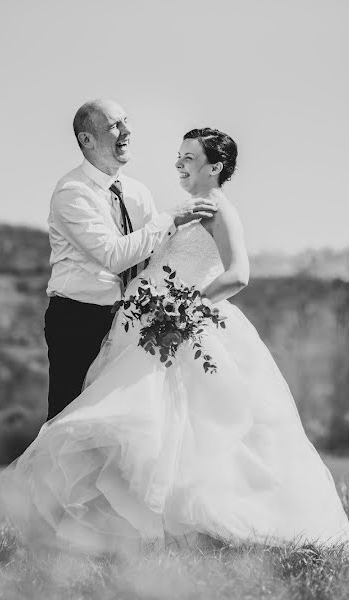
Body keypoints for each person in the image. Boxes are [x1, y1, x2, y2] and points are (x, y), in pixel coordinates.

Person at [4, 127, 349, 552]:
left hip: (187, 328)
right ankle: (139, 539)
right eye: (179, 157)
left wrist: (185, 310)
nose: (179, 164)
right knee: (154, 431)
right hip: (148, 331)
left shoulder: (220, 211)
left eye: (189, 158)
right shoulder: (182, 210)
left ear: (215, 167)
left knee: (198, 430)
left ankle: (212, 532)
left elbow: (238, 274)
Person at [44, 99, 218, 421]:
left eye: (126, 121)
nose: (127, 131)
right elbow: (114, 256)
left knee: (120, 426)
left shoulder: (137, 191)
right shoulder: (72, 192)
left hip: (128, 322)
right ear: (87, 139)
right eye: (115, 126)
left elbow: (155, 251)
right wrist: (170, 217)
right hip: (78, 321)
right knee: (67, 426)